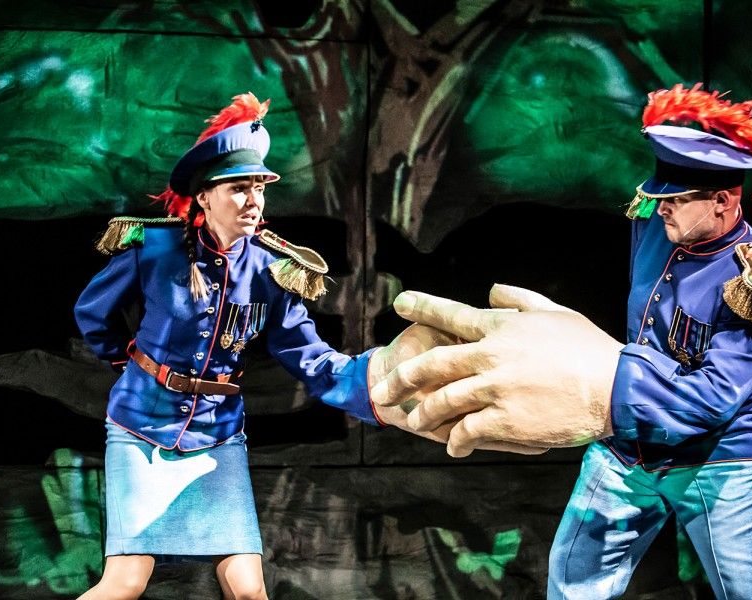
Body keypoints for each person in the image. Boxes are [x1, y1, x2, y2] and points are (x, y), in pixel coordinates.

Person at [73, 92, 536, 600]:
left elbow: (309, 358)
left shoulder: (272, 270)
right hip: (140, 429)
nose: (253, 200)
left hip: (217, 436)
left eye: (259, 188)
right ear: (204, 197)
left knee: (248, 590)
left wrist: (377, 377)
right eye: (238, 188)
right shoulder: (155, 249)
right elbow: (94, 314)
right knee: (126, 583)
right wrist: (131, 366)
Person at [372, 83, 752, 599]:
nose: (661, 208)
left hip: (715, 459)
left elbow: (713, 399)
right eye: (660, 197)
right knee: (573, 585)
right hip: (629, 448)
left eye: (676, 200)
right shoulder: (657, 226)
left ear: (721, 201)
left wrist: (603, 377)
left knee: (748, 593)